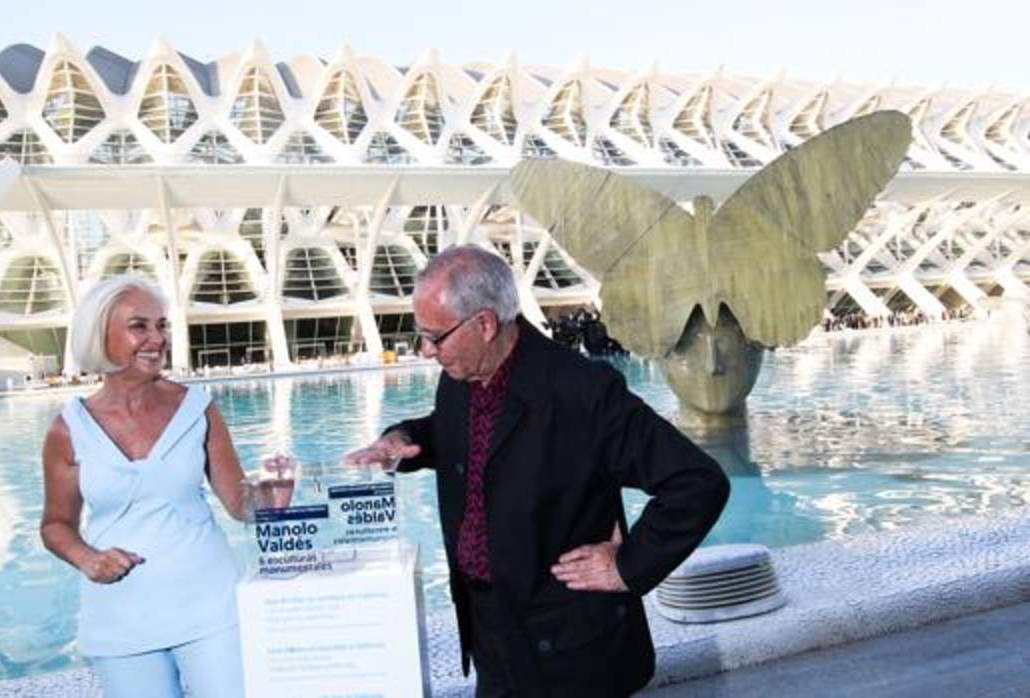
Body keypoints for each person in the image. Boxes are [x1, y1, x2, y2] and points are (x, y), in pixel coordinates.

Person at [347, 246, 730, 697]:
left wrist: (627, 566)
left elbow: (697, 482)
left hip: (571, 651)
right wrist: (404, 438)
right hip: (491, 634)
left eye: (435, 337)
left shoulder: (582, 391)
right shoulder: (459, 378)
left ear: (485, 324)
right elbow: (460, 433)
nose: (427, 351)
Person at [41, 275, 256, 697]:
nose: (156, 338)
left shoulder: (198, 408)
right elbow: (55, 524)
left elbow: (238, 501)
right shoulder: (69, 429)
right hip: (121, 618)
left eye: (162, 325)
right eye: (139, 326)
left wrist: (271, 496)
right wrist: (86, 558)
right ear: (100, 334)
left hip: (211, 605)